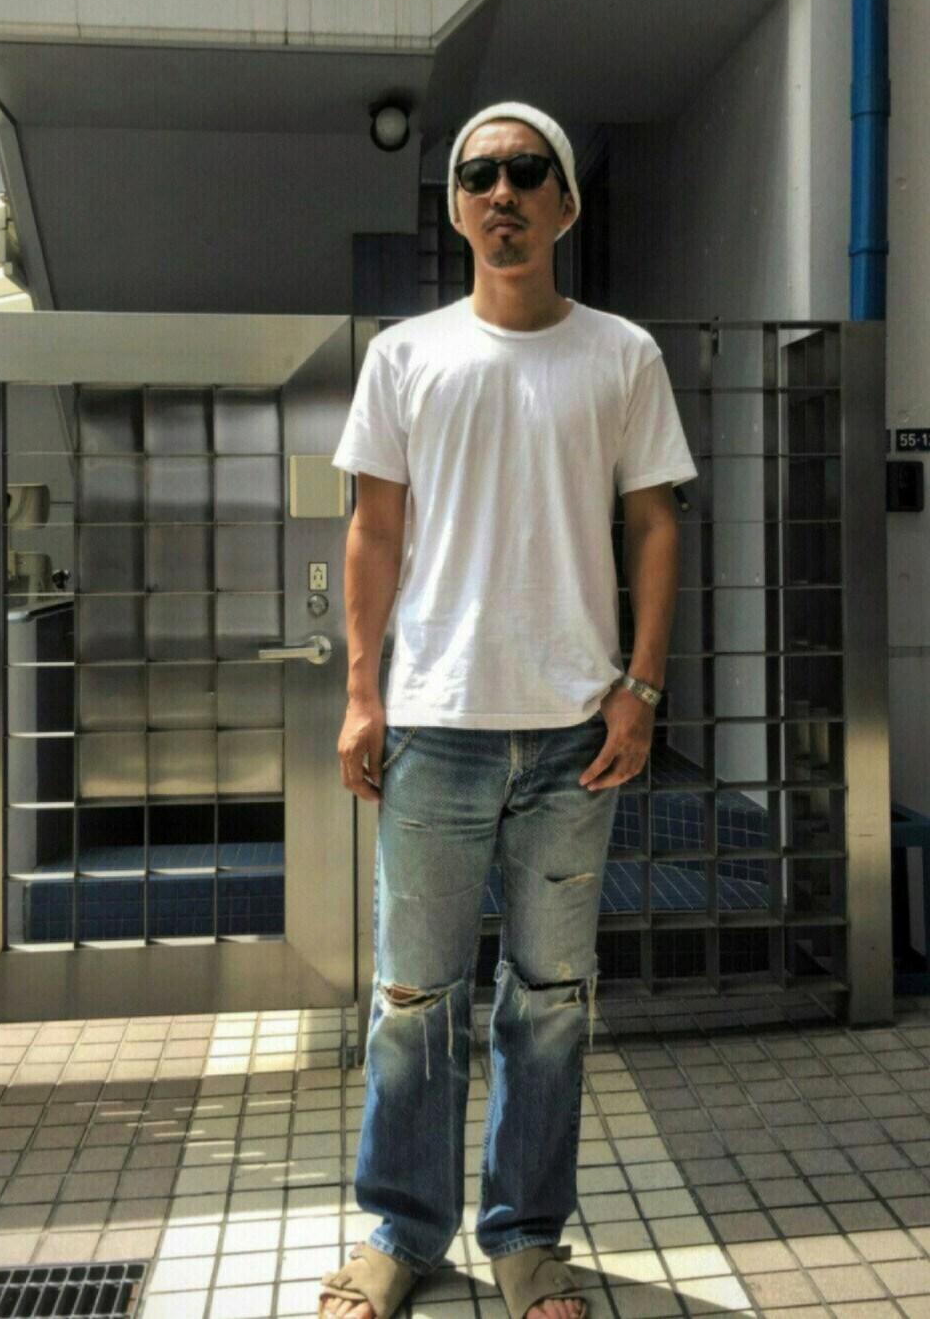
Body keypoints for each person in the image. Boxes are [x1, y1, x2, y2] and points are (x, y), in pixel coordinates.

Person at [319, 100, 698, 1319]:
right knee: (413, 997)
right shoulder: (406, 355)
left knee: (548, 1000)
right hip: (435, 721)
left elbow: (652, 523)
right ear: (454, 206)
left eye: (528, 172)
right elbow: (374, 531)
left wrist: (641, 686)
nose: (503, 192)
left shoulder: (621, 354)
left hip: (576, 729)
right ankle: (403, 1228)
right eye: (479, 174)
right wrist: (362, 693)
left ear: (565, 204)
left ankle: (527, 1234)